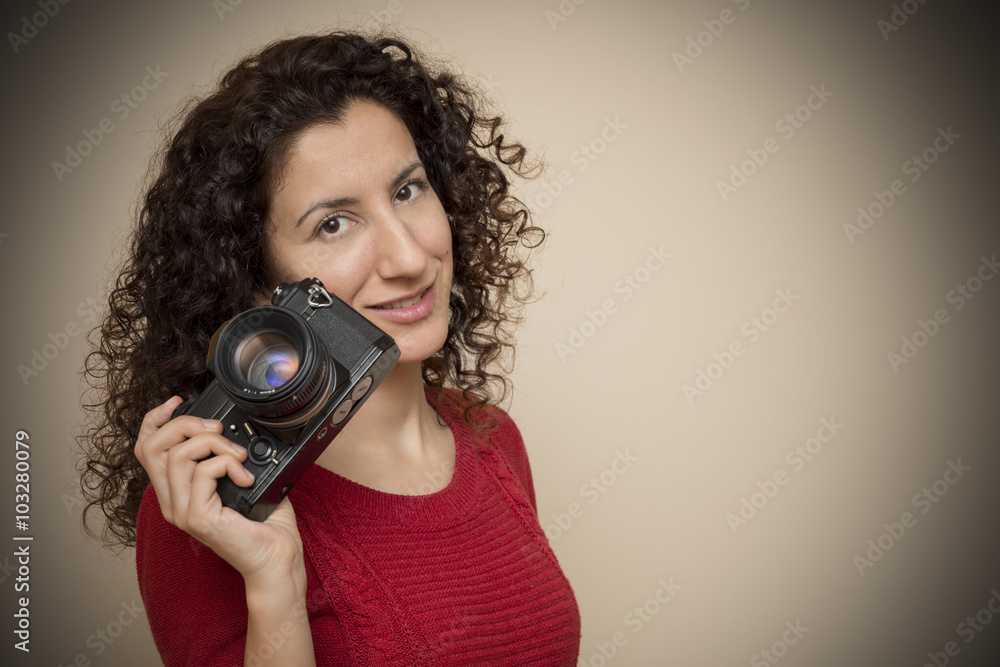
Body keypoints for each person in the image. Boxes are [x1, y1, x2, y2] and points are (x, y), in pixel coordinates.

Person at [78, 29, 581, 666]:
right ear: (256, 279)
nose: (407, 256)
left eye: (407, 190)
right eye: (333, 224)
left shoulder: (489, 434)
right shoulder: (210, 502)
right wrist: (275, 582)